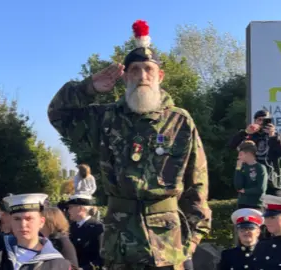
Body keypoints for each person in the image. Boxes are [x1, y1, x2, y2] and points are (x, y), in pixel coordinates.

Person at [48, 19, 210, 269]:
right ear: (125, 76)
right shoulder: (106, 118)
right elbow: (58, 114)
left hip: (167, 244)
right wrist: (88, 88)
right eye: (134, 69)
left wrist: (191, 242)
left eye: (148, 69)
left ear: (160, 75)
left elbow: (196, 184)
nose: (142, 76)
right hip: (119, 243)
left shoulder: (179, 121)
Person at [229, 110, 281, 197]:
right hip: (251, 181)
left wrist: (273, 136)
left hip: (272, 182)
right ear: (254, 121)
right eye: (259, 120)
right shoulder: (248, 136)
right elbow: (232, 145)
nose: (262, 123)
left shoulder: (278, 137)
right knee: (250, 209)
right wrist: (245, 132)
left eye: (266, 120)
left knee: (276, 209)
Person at [67, 195, 102, 270]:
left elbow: (101, 258)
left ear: (81, 209)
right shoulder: (72, 226)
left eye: (70, 207)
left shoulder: (97, 228)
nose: (68, 210)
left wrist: (83, 269)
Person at [234, 140, 268, 210]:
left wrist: (246, 191)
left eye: (240, 154)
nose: (238, 157)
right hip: (242, 204)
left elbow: (261, 189)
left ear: (248, 154)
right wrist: (238, 169)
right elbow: (238, 187)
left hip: (256, 205)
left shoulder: (260, 167)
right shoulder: (242, 167)